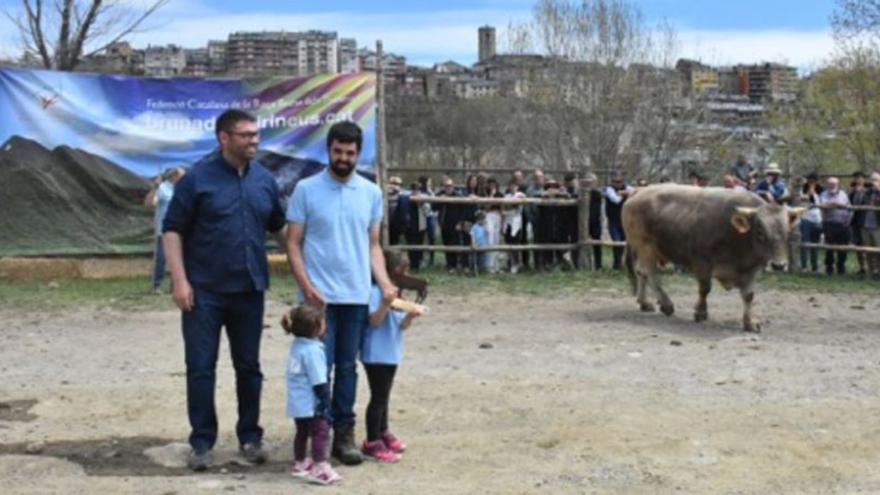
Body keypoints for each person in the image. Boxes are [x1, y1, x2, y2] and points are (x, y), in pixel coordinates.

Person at [162, 109, 287, 471]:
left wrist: (306, 266)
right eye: (246, 134)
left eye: (256, 134)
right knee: (201, 368)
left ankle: (250, 436)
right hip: (204, 293)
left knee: (249, 367)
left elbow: (280, 229)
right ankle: (202, 443)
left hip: (249, 290)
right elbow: (172, 230)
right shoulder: (196, 179)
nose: (254, 140)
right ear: (224, 138)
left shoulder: (264, 180)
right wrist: (180, 280)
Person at [286, 121, 396, 466]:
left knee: (348, 367)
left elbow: (373, 245)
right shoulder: (306, 189)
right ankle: (317, 429)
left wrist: (385, 283)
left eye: (350, 153)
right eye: (338, 151)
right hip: (319, 300)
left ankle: (343, 436)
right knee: (319, 367)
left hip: (356, 296)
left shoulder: (371, 193)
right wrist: (307, 288)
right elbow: (292, 243)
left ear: (358, 153)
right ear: (328, 150)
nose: (344, 158)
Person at [360, 250, 422, 462]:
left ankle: (383, 430)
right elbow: (374, 321)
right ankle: (372, 441)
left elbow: (401, 325)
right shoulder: (374, 292)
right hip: (375, 353)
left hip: (391, 351)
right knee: (378, 398)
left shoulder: (396, 293)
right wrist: (386, 303)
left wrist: (411, 317)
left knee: (384, 397)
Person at [282, 305, 342, 485]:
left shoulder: (298, 345)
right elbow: (318, 380)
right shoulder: (313, 351)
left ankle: (300, 462)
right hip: (311, 402)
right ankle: (320, 467)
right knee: (320, 432)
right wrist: (325, 402)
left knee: (301, 431)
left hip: (297, 401)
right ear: (316, 328)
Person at [145, 166, 185, 294]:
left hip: (181, 230)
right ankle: (156, 285)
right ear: (173, 176)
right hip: (164, 230)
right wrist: (155, 188)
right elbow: (150, 204)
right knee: (161, 259)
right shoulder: (163, 188)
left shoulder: (183, 189)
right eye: (181, 176)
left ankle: (176, 285)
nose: (184, 178)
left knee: (181, 259)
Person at [819, 176, 852, 275]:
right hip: (830, 223)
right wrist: (837, 203)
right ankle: (829, 267)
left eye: (834, 183)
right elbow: (823, 205)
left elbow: (848, 207)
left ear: (838, 184)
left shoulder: (844, 194)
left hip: (843, 224)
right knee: (829, 247)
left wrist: (848, 220)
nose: (832, 185)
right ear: (827, 184)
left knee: (843, 247)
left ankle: (841, 266)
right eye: (830, 183)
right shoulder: (824, 194)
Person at [604, 173, 634, 270]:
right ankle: (617, 264)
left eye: (620, 182)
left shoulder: (628, 188)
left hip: (626, 220)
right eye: (616, 182)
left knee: (626, 242)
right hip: (613, 221)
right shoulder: (609, 189)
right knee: (616, 242)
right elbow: (615, 200)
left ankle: (627, 264)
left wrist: (624, 193)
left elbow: (635, 193)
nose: (618, 184)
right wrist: (624, 195)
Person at [797, 172, 824, 273]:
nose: (812, 183)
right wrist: (810, 191)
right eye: (810, 180)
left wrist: (814, 193)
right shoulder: (802, 188)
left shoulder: (821, 189)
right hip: (805, 217)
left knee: (815, 243)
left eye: (814, 181)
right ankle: (804, 266)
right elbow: (803, 199)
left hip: (817, 218)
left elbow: (821, 202)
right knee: (805, 242)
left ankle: (815, 266)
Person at [857, 172, 880, 278]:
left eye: (876, 180)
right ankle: (871, 272)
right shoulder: (866, 193)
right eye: (872, 180)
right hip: (865, 225)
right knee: (868, 250)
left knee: (878, 249)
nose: (873, 182)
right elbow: (858, 205)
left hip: (877, 226)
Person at [501, 179, 526, 273]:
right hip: (507, 222)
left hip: (516, 222)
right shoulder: (506, 196)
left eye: (514, 186)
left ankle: (517, 264)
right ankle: (510, 263)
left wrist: (509, 205)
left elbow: (517, 204)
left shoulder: (520, 194)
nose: (512, 187)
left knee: (516, 243)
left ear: (517, 186)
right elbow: (503, 208)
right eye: (511, 186)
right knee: (508, 243)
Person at [849, 172, 868, 276]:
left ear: (863, 179)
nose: (858, 180)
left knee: (868, 245)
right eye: (856, 178)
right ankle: (862, 267)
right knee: (858, 246)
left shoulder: (869, 190)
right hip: (855, 222)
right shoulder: (852, 192)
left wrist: (863, 191)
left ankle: (873, 268)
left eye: (860, 178)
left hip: (867, 222)